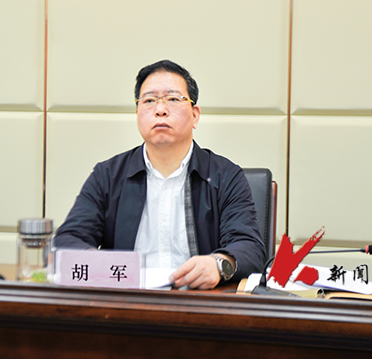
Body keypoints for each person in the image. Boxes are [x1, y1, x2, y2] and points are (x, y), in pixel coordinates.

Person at [54, 60, 265, 289]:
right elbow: (68, 241)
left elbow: (249, 248)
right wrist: (104, 266)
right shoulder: (107, 176)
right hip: (125, 301)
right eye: (149, 100)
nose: (160, 109)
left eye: (173, 99)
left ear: (195, 115)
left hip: (200, 301)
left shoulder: (226, 176)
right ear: (137, 113)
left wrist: (218, 264)